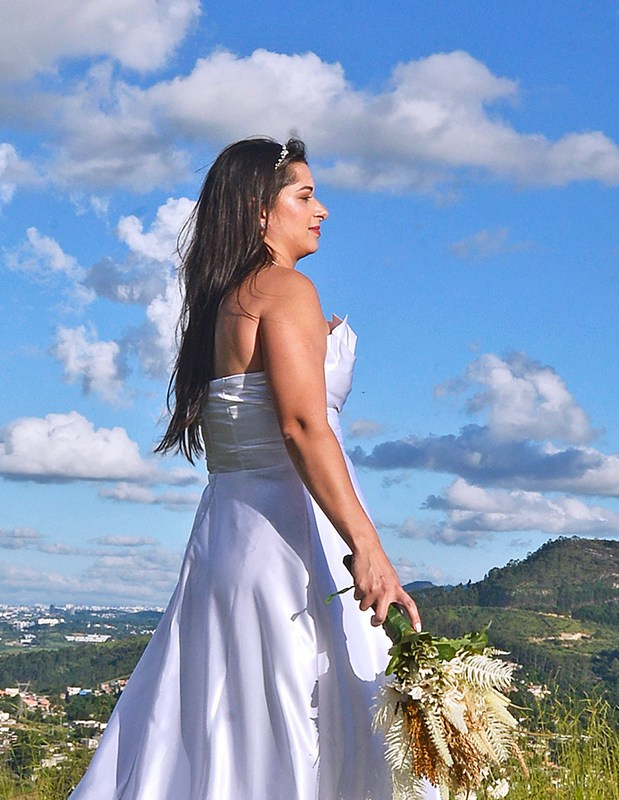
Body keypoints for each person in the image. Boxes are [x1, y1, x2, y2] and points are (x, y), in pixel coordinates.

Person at [69, 137, 437, 799]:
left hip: (230, 533)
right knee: (296, 714)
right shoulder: (285, 290)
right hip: (287, 538)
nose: (321, 209)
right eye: (304, 195)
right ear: (258, 211)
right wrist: (369, 548)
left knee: (227, 716)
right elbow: (300, 426)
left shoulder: (229, 301)